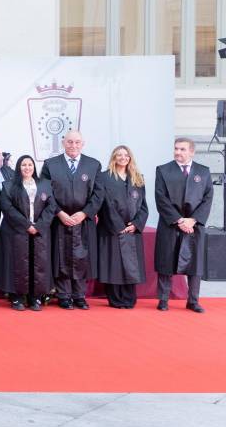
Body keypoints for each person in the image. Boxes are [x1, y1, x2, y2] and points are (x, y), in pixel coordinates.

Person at [40, 130, 103, 310]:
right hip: (59, 219)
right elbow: (45, 192)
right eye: (69, 142)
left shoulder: (93, 165)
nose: (73, 145)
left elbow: (99, 194)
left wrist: (85, 213)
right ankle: (63, 295)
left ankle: (79, 295)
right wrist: (59, 212)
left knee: (82, 257)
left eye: (77, 142)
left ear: (83, 144)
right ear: (63, 143)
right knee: (61, 257)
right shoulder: (51, 165)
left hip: (83, 220)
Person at [154, 137, 212, 313]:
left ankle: (193, 301)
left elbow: (207, 198)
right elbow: (161, 198)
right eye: (176, 148)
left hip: (194, 226)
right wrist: (179, 220)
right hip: (170, 224)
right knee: (166, 262)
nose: (178, 152)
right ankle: (163, 299)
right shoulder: (163, 170)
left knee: (195, 265)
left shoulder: (203, 172)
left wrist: (193, 220)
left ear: (192, 152)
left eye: (182, 149)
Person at [0, 155, 57, 311]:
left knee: (37, 263)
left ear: (34, 167)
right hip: (16, 231)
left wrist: (39, 225)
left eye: (30, 165)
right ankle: (17, 297)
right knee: (18, 263)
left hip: (39, 231)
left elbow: (51, 207)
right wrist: (26, 225)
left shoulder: (45, 184)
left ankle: (35, 297)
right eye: (24, 165)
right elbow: (7, 208)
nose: (27, 168)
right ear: (18, 167)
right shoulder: (9, 185)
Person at [96, 145, 149, 309]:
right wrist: (118, 225)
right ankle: (116, 298)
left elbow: (143, 206)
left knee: (130, 266)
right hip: (111, 230)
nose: (123, 157)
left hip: (132, 231)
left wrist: (136, 224)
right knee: (114, 265)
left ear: (130, 158)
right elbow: (105, 204)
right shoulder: (104, 177)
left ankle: (129, 298)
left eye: (126, 155)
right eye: (119, 155)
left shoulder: (137, 178)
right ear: (114, 157)